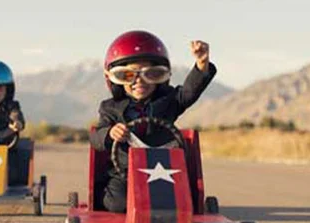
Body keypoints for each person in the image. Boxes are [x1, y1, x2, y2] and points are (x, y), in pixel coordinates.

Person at [89, 30, 216, 213]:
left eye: (152, 74)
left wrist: (201, 64)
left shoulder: (169, 101)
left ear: (161, 77)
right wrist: (110, 133)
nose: (139, 82)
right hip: (125, 175)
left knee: (180, 202)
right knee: (116, 203)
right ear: (115, 79)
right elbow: (96, 138)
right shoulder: (110, 108)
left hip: (166, 173)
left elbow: (189, 92)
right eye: (128, 75)